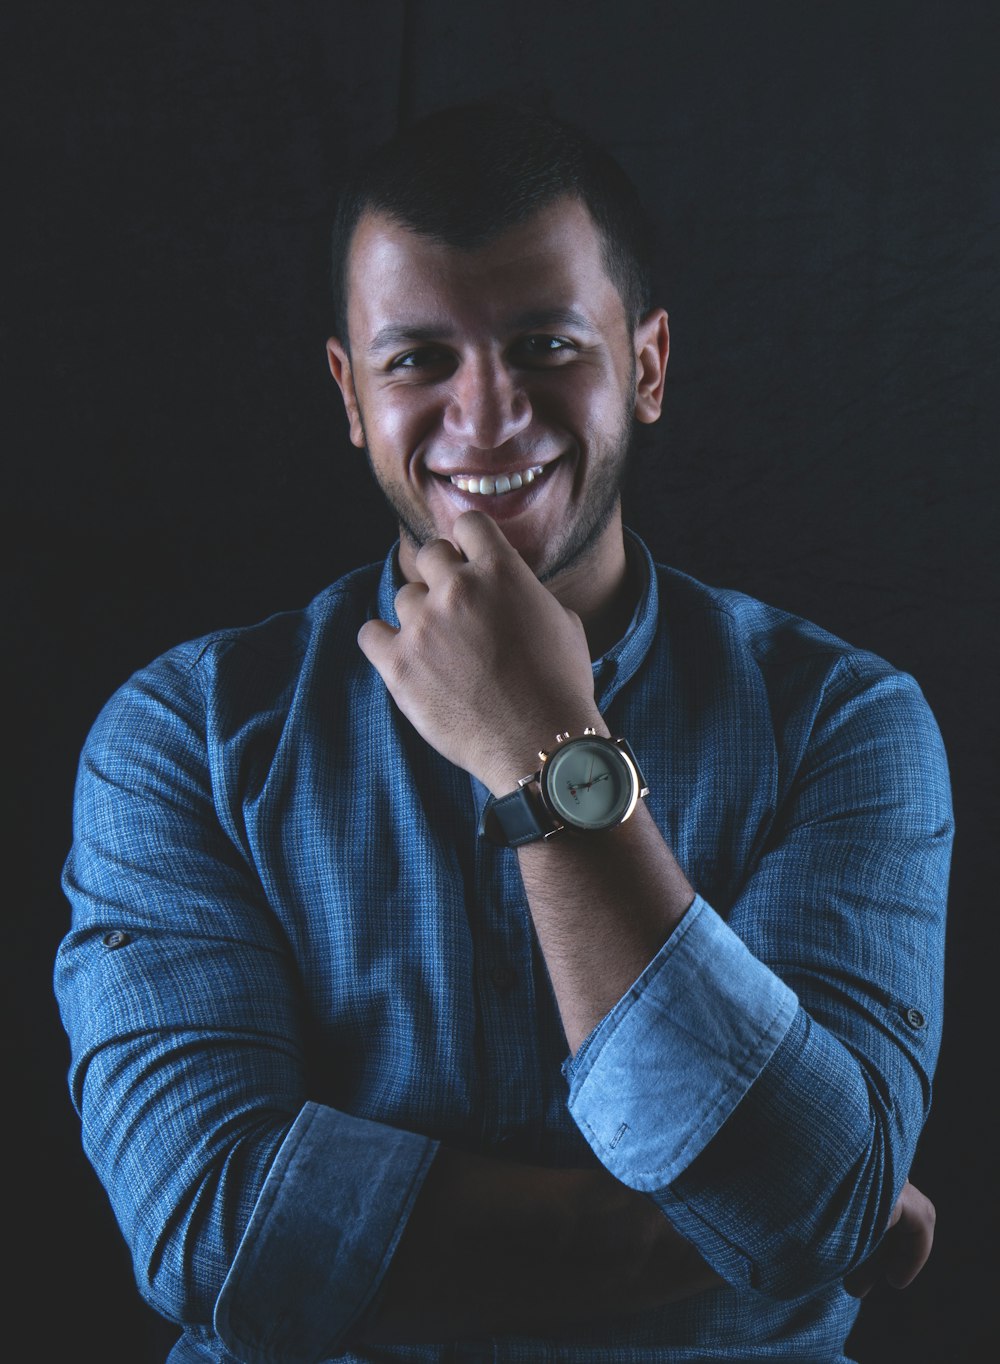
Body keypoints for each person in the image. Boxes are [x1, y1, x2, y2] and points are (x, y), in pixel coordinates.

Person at [55, 104, 950, 1363]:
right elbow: (214, 1232)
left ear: (644, 365)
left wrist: (547, 746)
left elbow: (809, 1201)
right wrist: (754, 1227)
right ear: (349, 394)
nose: (485, 416)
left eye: (544, 344)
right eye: (418, 358)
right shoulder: (184, 737)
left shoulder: (845, 723)